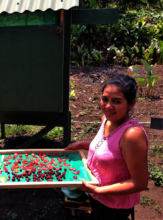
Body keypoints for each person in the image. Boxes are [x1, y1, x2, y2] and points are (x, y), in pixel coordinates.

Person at [65, 75, 149, 220]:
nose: (108, 106)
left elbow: (140, 183)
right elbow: (107, 147)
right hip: (97, 194)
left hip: (114, 204)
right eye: (105, 99)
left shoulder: (131, 135)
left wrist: (99, 190)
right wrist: (82, 145)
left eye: (116, 101)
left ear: (131, 103)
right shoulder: (107, 120)